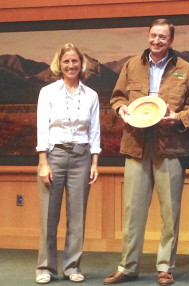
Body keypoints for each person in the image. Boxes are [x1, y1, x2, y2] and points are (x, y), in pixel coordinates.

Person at [103, 18, 189, 286]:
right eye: (153, 36)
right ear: (148, 36)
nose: (157, 41)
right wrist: (122, 109)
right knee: (133, 211)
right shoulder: (132, 65)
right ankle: (127, 267)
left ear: (171, 40)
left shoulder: (186, 69)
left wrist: (179, 117)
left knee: (170, 212)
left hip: (172, 148)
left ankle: (165, 267)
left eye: (162, 37)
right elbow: (118, 97)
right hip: (136, 146)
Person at [35, 43, 101, 284]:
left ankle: (72, 266)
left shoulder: (91, 95)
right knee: (49, 216)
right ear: (59, 65)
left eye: (75, 61)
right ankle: (45, 268)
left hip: (81, 158)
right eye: (66, 62)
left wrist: (94, 162)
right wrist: (43, 161)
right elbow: (42, 128)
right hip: (54, 157)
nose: (71, 66)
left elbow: (95, 131)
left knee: (77, 216)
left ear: (81, 64)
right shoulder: (47, 92)